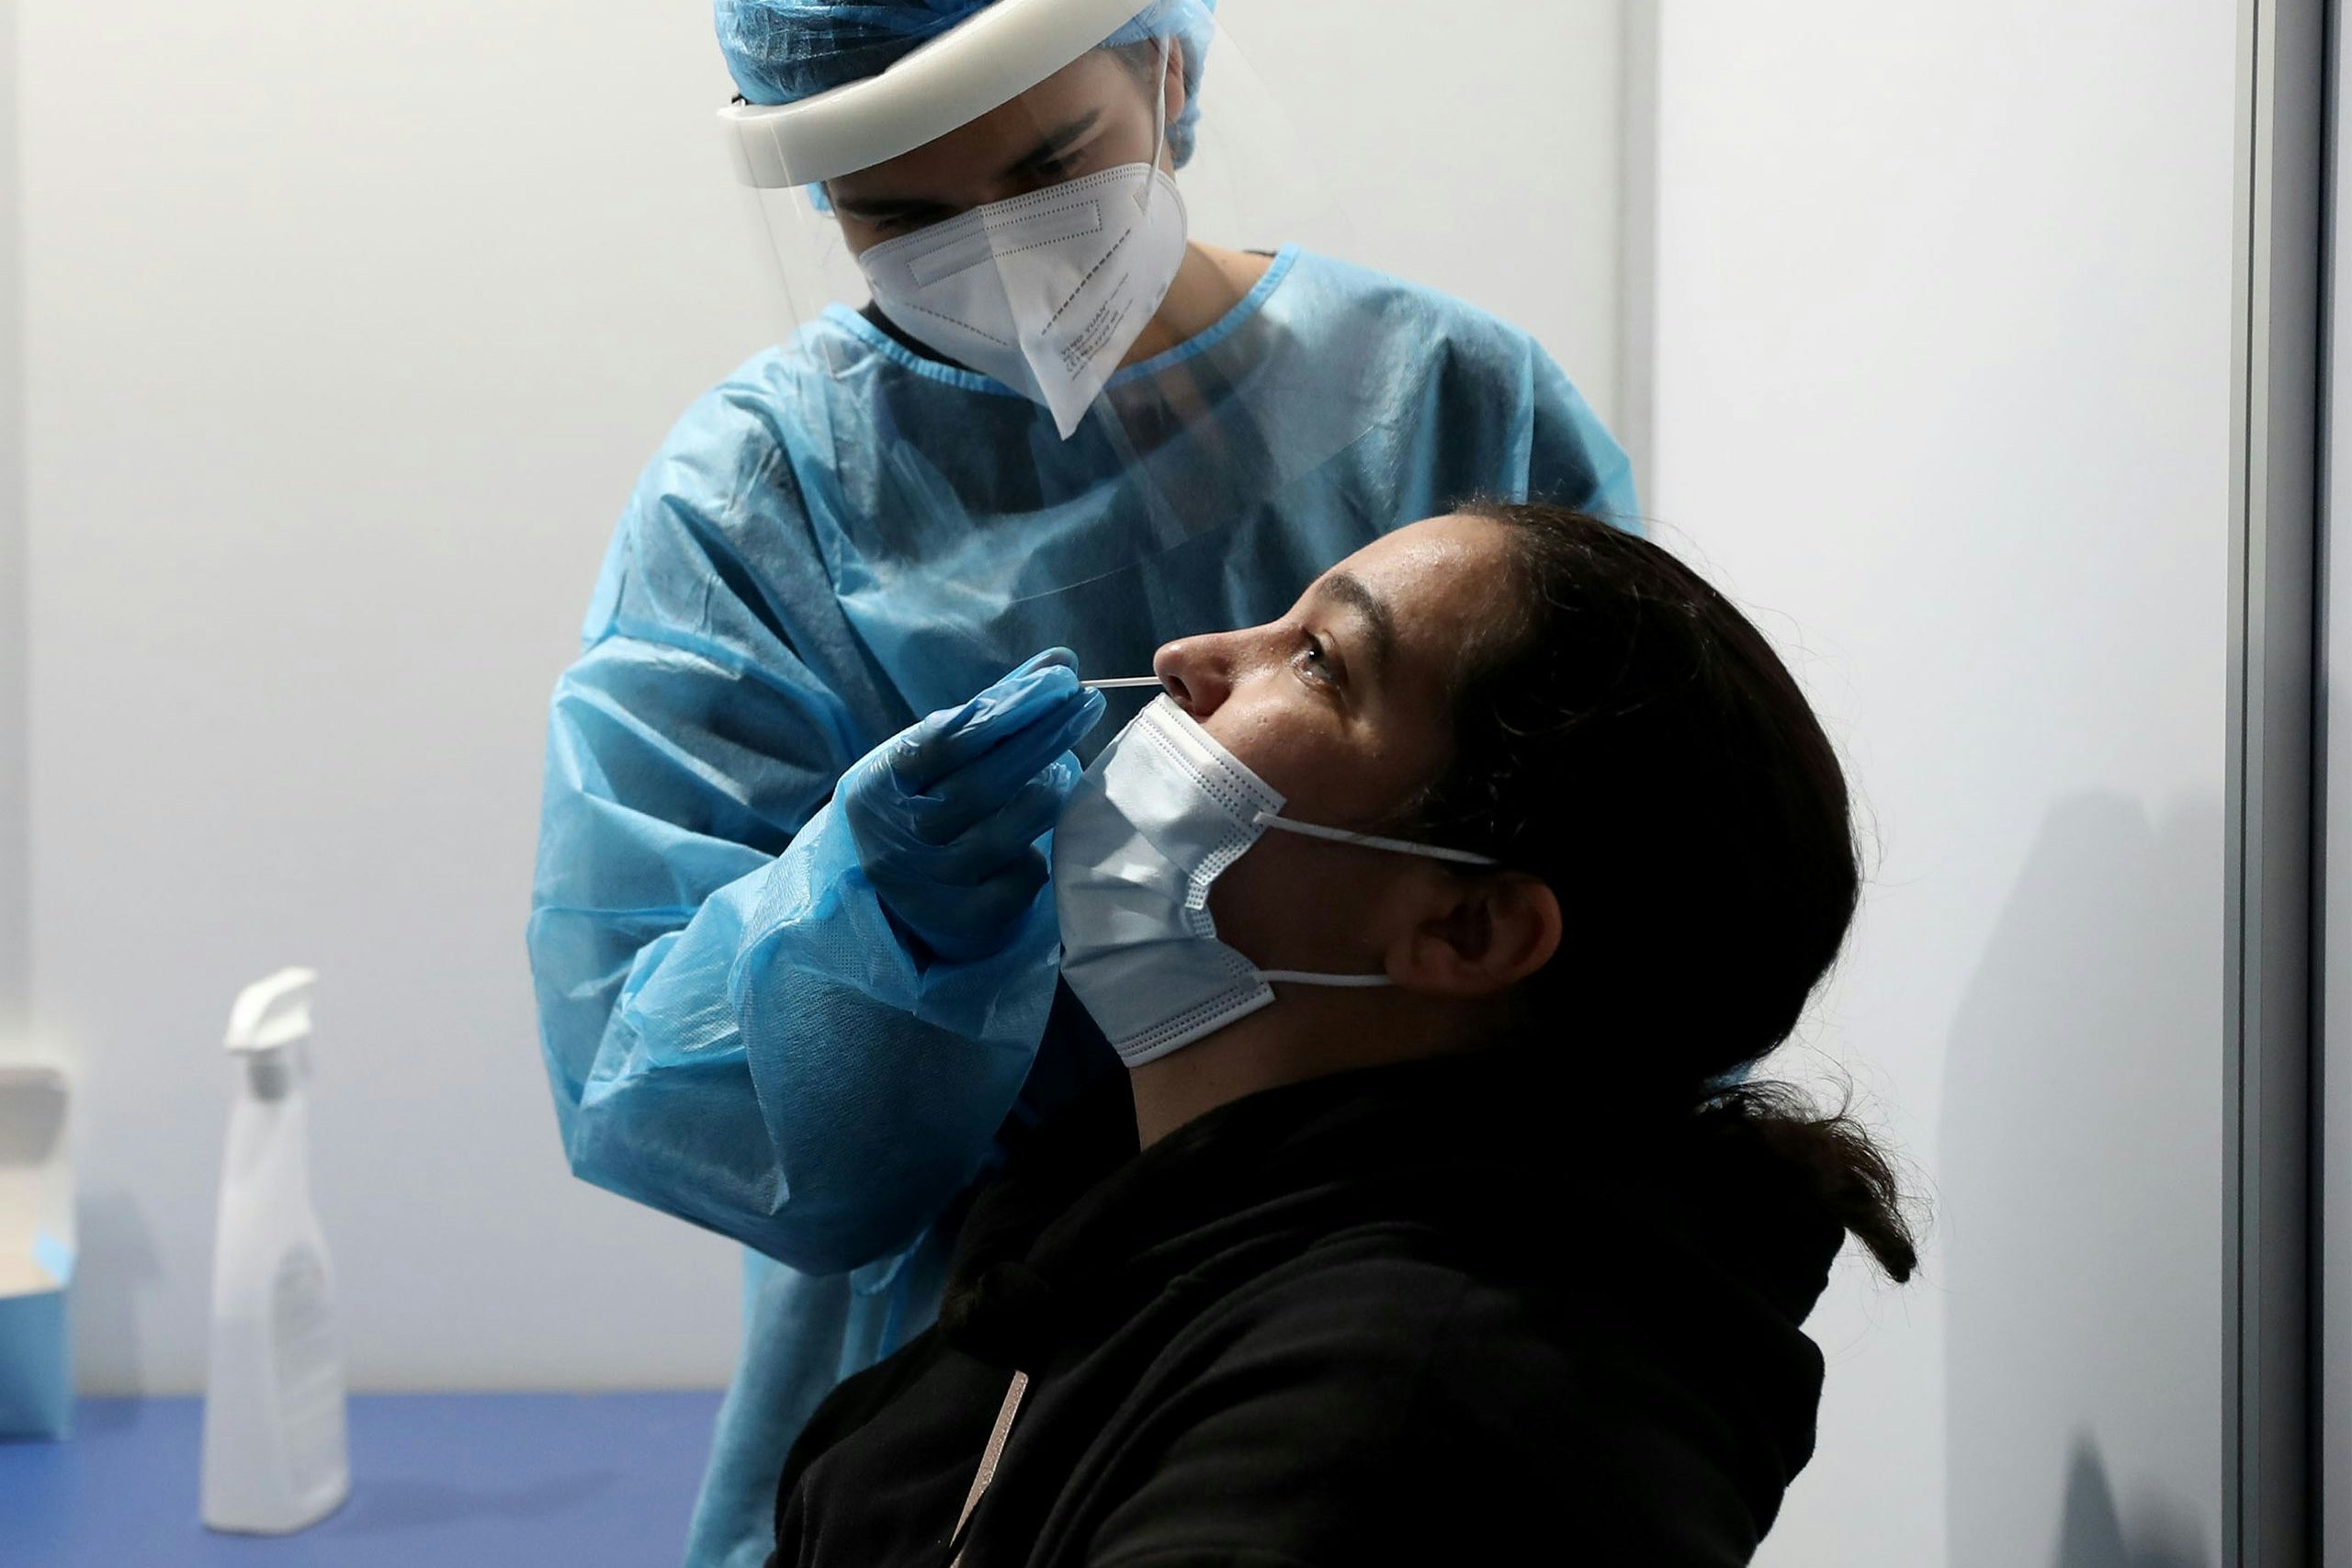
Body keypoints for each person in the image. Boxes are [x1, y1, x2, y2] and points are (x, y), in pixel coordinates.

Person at [526, 3, 1636, 1564]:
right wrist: (872, 914)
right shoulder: (756, 503)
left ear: (1167, 74)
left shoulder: (1446, 401)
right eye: (899, 214)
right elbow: (663, 1080)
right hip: (959, 1334)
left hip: (1404, 1244)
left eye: (1053, 170)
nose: (997, 254)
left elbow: (1655, 869)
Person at [767, 504, 1917, 1566]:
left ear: (1467, 928)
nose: (1189, 658)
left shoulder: (1412, 1417)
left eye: (1318, 659)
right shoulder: (1111, 1225)